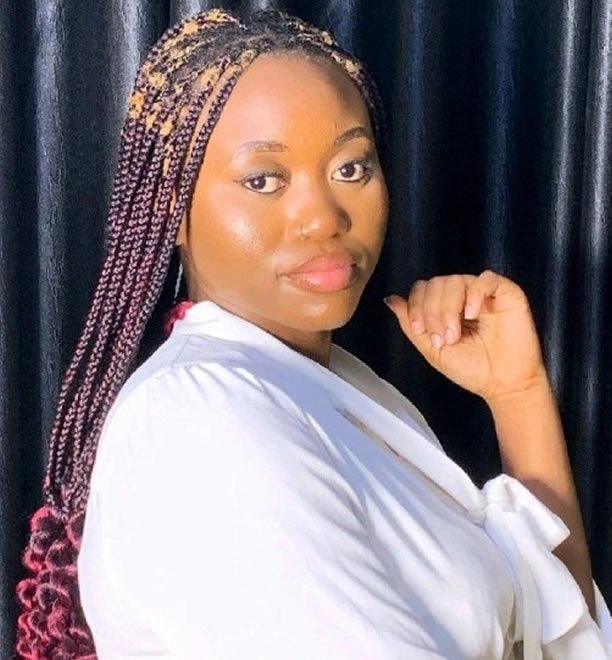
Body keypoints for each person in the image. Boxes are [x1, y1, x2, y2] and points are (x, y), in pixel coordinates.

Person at [14, 7, 612, 659]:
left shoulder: (338, 387)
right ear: (171, 208)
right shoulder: (200, 414)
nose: (324, 217)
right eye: (263, 180)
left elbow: (559, 637)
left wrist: (518, 394)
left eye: (351, 168)